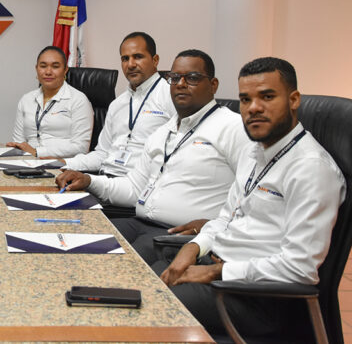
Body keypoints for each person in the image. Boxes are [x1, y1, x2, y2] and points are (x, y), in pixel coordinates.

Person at [157, 57, 345, 338]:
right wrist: (195, 246)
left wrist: (216, 273)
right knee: (136, 282)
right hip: (221, 272)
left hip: (259, 298)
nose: (253, 108)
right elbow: (226, 218)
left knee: (151, 306)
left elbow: (300, 268)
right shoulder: (255, 152)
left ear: (293, 100)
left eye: (267, 97)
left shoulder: (311, 168)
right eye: (245, 99)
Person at [56, 49, 249, 263]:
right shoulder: (163, 131)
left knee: (102, 263)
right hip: (139, 223)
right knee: (69, 240)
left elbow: (254, 195)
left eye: (192, 78)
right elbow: (133, 188)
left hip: (178, 234)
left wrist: (217, 226)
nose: (181, 84)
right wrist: (89, 180)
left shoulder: (234, 128)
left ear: (213, 85)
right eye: (174, 78)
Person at [63, 32, 175, 176]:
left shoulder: (172, 97)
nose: (131, 64)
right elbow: (102, 154)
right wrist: (60, 163)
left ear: (155, 60)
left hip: (141, 182)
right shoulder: (117, 104)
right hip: (105, 178)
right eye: (125, 59)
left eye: (138, 57)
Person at [6, 45, 93, 158]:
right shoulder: (26, 99)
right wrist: (16, 148)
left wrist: (37, 152)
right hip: (27, 161)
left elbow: (81, 147)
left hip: (62, 164)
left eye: (55, 66)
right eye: (43, 66)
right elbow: (18, 141)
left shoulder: (78, 100)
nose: (48, 72)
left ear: (65, 70)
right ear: (36, 68)